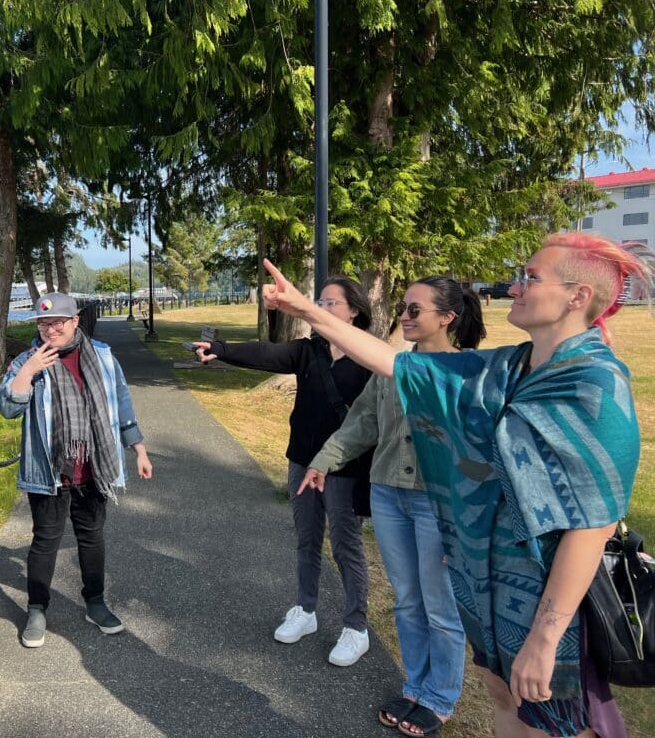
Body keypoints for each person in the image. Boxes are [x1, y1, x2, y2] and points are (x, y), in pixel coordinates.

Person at [262, 233, 655, 738]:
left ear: (578, 297)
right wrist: (307, 311)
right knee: (501, 694)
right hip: (487, 583)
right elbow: (393, 364)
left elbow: (592, 524)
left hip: (547, 599)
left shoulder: (594, 385)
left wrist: (544, 638)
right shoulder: (506, 367)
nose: (514, 288)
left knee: (555, 719)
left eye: (531, 278)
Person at [303, 277, 485, 736]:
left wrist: (467, 507)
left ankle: (440, 699)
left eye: (415, 310)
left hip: (437, 502)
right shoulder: (393, 367)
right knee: (406, 601)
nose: (404, 316)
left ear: (447, 317)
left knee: (440, 606)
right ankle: (415, 687)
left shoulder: (468, 372)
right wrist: (324, 461)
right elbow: (361, 423)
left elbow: (481, 449)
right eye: (403, 307)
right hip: (387, 494)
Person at [193, 277, 375, 666]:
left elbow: (377, 425)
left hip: (346, 469)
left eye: (331, 304)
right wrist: (220, 350)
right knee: (306, 539)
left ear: (354, 310)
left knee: (346, 548)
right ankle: (305, 611)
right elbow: (267, 354)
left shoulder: (370, 357)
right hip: (303, 462)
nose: (322, 309)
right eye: (319, 302)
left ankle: (356, 627)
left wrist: (366, 489)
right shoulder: (308, 351)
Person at [0, 292, 153, 649]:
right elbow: (6, 408)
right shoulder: (28, 360)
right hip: (49, 471)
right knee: (45, 541)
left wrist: (139, 449)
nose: (50, 330)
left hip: (94, 467)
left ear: (74, 322)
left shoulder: (101, 355)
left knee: (92, 537)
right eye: (43, 323)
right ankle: (37, 609)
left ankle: (95, 603)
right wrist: (29, 371)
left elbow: (122, 402)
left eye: (57, 323)